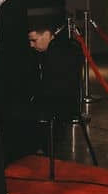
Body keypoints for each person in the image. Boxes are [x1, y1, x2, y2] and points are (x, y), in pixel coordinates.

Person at [26, 20, 84, 156]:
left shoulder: (57, 53)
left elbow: (52, 87)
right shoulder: (63, 47)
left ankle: (38, 151)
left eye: (34, 40)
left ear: (47, 35)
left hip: (61, 105)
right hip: (64, 102)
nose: (31, 45)